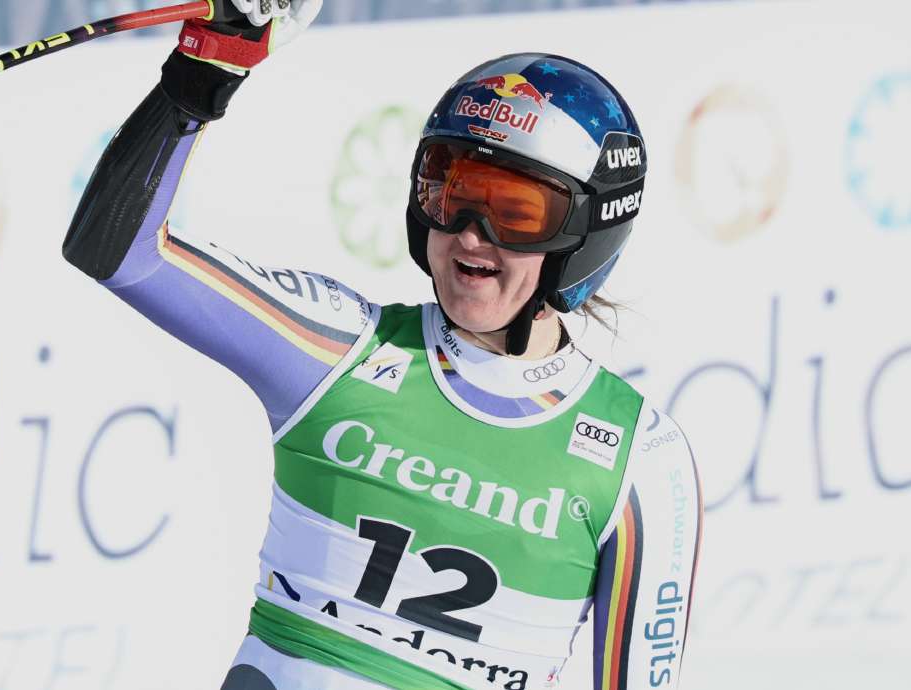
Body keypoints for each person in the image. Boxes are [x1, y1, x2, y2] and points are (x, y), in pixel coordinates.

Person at [62, 2, 703, 688]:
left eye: (516, 210)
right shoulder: (340, 347)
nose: (469, 232)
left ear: (586, 235)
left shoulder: (641, 461)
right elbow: (121, 254)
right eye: (448, 187)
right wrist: (202, 73)